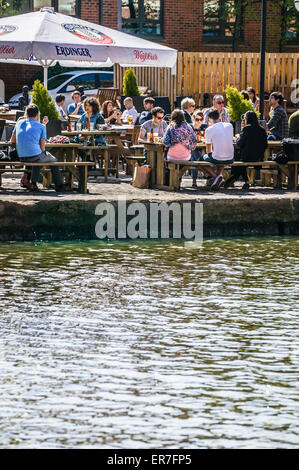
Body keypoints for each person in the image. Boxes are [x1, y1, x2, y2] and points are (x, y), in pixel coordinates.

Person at [10, 104, 63, 191]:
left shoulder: (19, 123)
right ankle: (59, 185)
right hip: (34, 156)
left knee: (38, 156)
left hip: (21, 156)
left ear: (26, 113)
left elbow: (12, 140)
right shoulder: (42, 126)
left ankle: (34, 183)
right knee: (53, 160)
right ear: (38, 114)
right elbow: (42, 148)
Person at [224, 110, 268, 190]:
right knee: (240, 158)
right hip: (259, 158)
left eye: (245, 119)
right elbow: (266, 145)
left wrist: (237, 138)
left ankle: (234, 176)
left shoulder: (247, 129)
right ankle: (245, 181)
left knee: (237, 158)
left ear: (247, 119)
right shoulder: (262, 130)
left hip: (247, 157)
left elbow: (239, 144)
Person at [201, 108, 234, 189]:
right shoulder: (229, 126)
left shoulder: (209, 129)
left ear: (209, 119)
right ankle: (219, 177)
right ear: (219, 116)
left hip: (219, 157)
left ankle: (216, 177)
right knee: (220, 155)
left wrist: (210, 154)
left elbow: (209, 149)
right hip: (231, 157)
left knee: (200, 161)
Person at [190, 110, 205, 188]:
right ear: (193, 119)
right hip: (191, 149)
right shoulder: (190, 127)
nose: (199, 121)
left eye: (201, 119)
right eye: (197, 119)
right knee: (194, 154)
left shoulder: (204, 127)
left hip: (202, 149)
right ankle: (204, 171)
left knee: (196, 156)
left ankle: (194, 181)